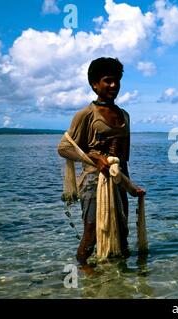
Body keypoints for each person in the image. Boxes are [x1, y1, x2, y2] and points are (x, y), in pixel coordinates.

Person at [58, 57, 145, 266]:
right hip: (93, 183)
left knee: (121, 231)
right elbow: (64, 147)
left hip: (118, 182)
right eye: (107, 80)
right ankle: (84, 267)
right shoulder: (86, 114)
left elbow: (123, 160)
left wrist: (131, 188)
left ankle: (121, 282)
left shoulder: (124, 115)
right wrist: (94, 157)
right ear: (94, 84)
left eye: (117, 80)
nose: (113, 85)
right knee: (93, 230)